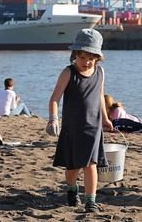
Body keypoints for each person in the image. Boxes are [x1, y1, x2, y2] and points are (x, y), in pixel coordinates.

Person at [46, 28, 113, 213]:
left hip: (94, 126)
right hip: (73, 127)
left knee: (91, 164)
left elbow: (99, 96)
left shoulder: (100, 72)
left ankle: (90, 201)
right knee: (73, 167)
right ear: (75, 55)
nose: (86, 62)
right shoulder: (68, 72)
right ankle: (72, 188)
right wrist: (53, 119)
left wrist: (106, 118)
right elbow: (54, 99)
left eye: (91, 58)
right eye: (82, 57)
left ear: (98, 58)